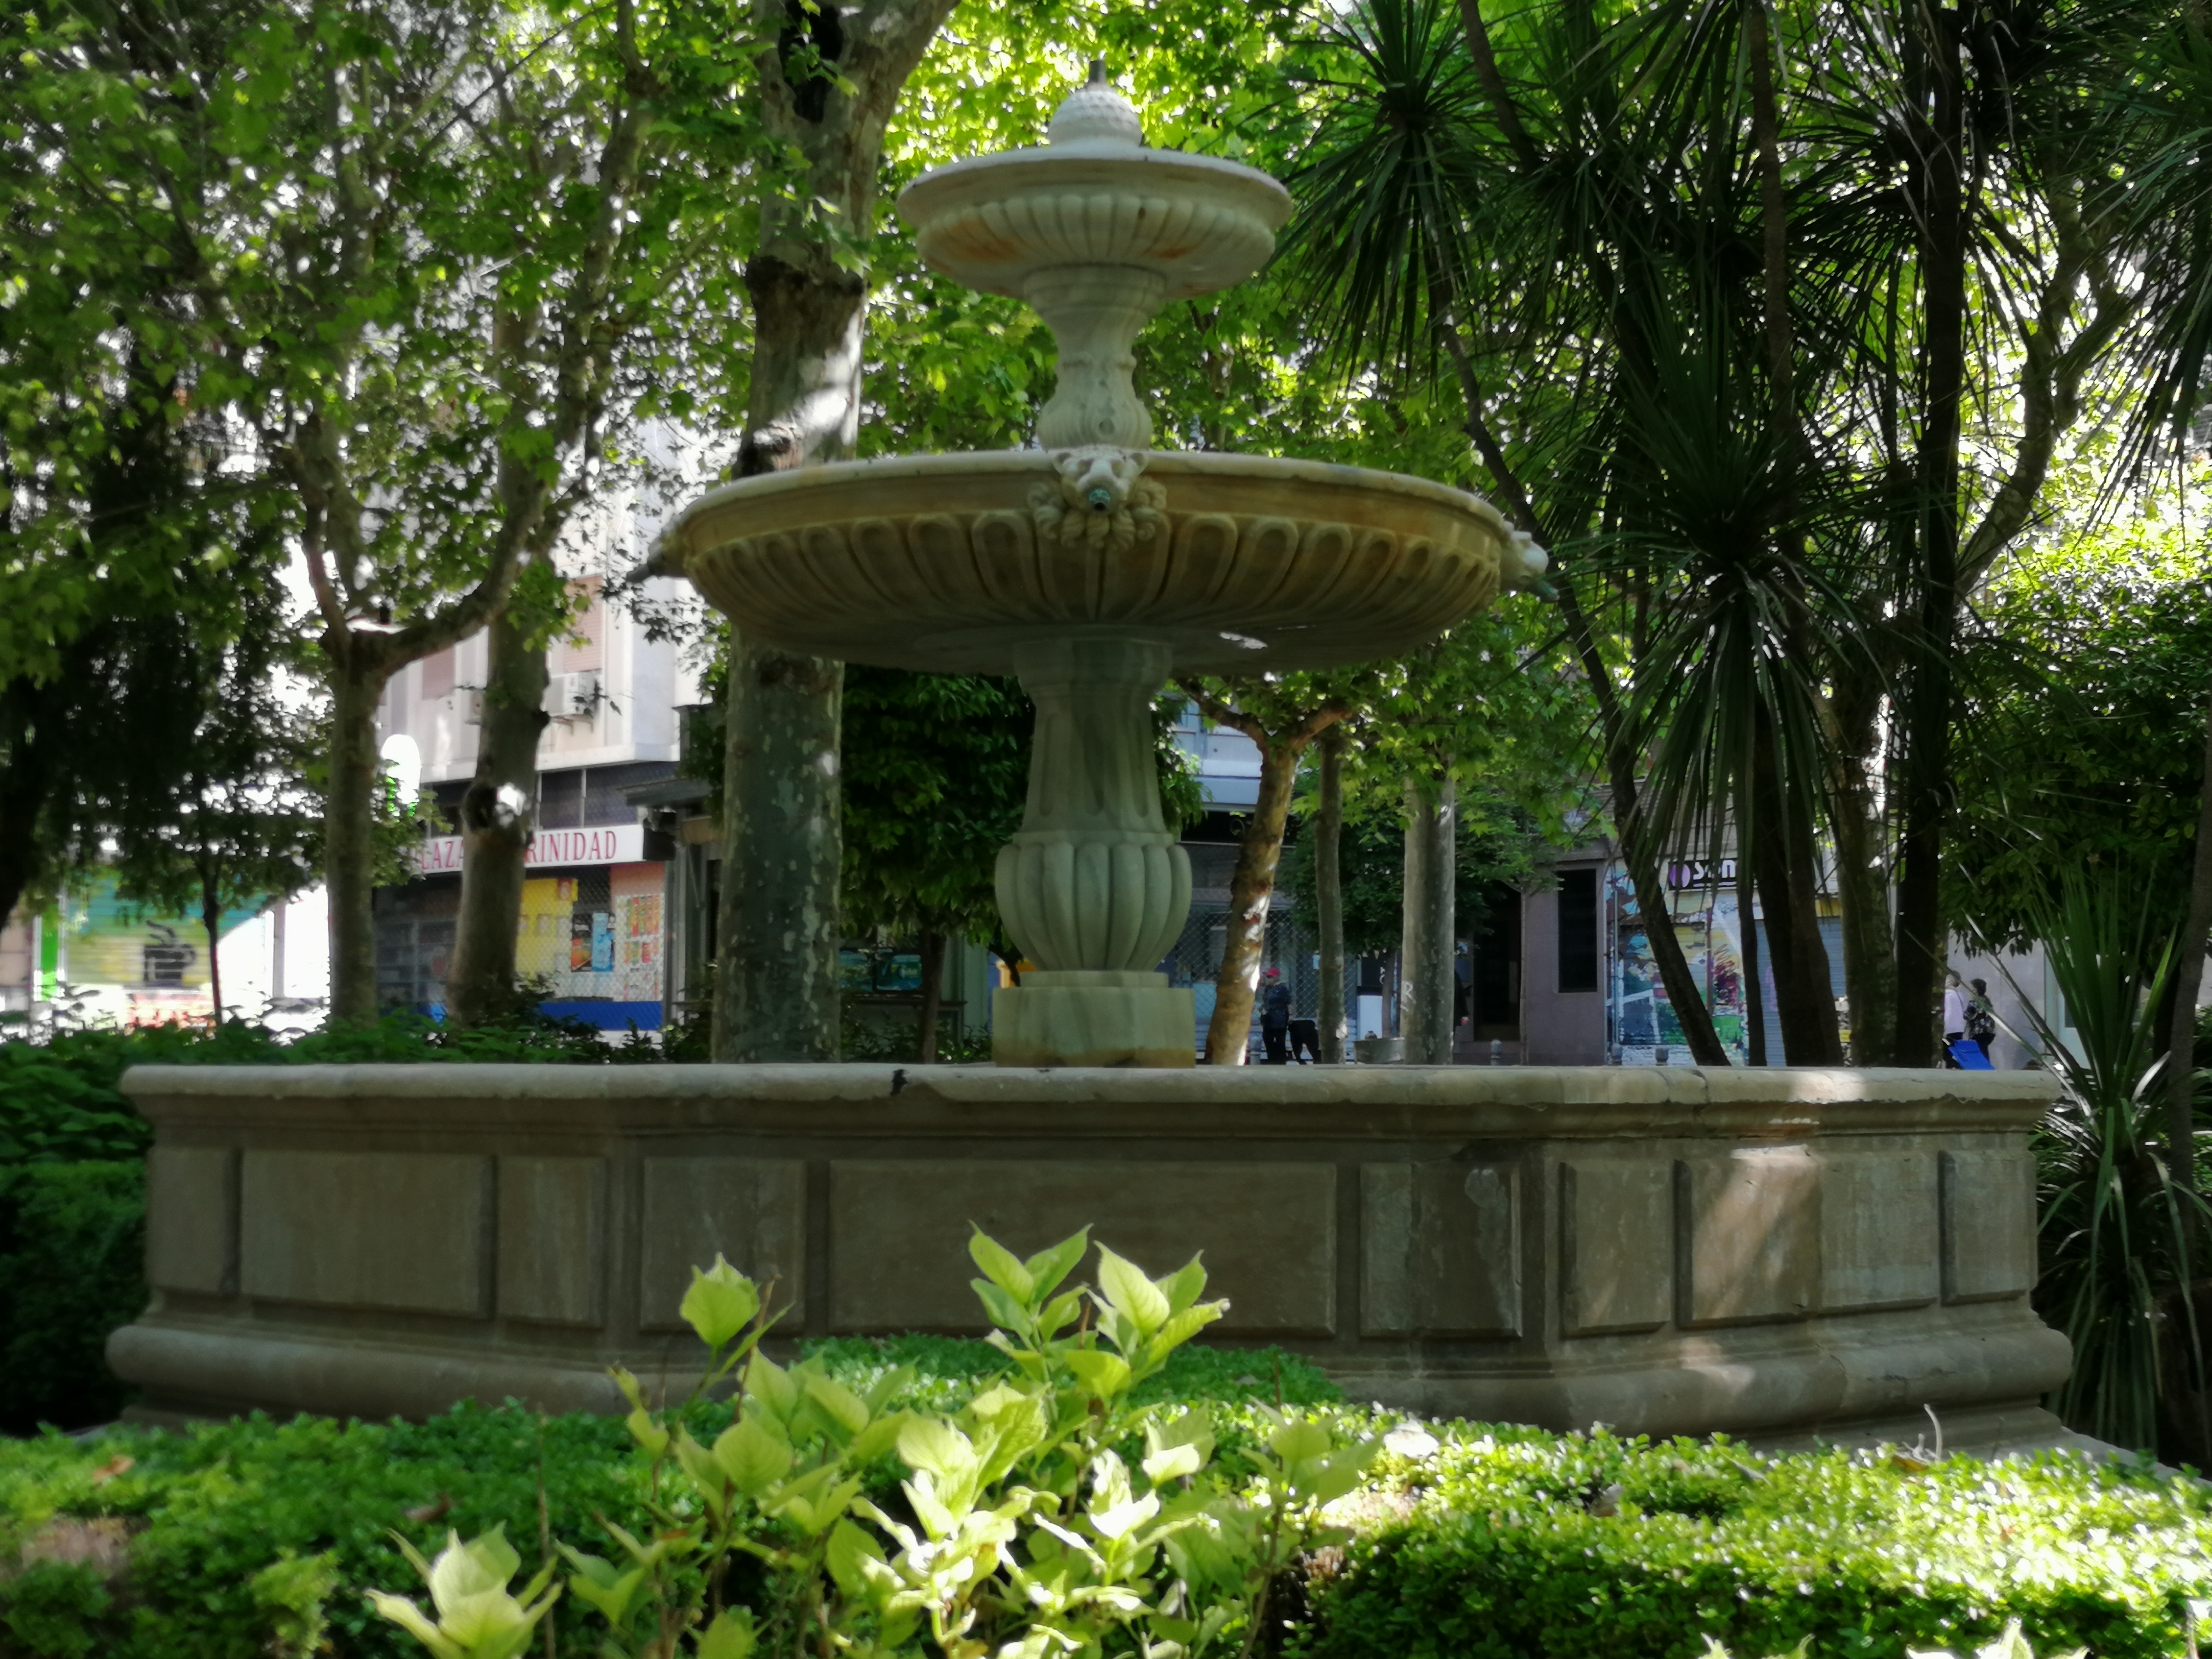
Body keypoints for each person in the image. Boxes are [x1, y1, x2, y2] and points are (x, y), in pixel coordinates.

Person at [1259, 966, 1292, 1064]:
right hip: (1269, 1017)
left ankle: (1280, 1061)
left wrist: (1290, 1015)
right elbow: (1267, 1001)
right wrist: (1263, 1007)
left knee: (1279, 1040)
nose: (1268, 979)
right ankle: (1272, 1059)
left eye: (1270, 977)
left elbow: (1289, 1003)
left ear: (1277, 977)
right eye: (1267, 977)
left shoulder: (1282, 989)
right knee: (1267, 1038)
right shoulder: (1268, 989)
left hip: (1280, 1017)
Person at [1941, 972, 1968, 1067]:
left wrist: (1944, 1028)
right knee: (1953, 1052)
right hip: (1959, 1029)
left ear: (1951, 983)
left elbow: (1948, 1013)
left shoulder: (1948, 995)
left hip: (1950, 1029)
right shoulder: (1959, 995)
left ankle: (1957, 1066)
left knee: (1946, 1053)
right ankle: (1955, 1066)